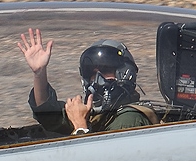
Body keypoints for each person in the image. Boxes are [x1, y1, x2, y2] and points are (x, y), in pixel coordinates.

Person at [17, 28, 153, 136]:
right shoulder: (99, 115)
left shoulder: (129, 120)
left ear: (125, 73)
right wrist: (39, 73)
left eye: (106, 71)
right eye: (92, 74)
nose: (97, 80)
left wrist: (80, 126)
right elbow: (48, 115)